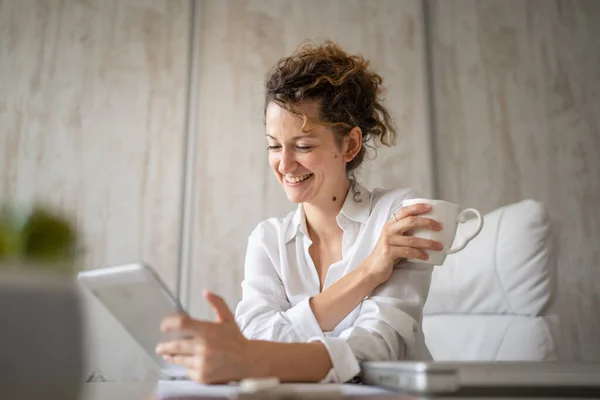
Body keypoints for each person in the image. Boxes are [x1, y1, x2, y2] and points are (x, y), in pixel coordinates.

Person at [155, 41, 443, 384]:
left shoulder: (397, 216)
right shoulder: (268, 240)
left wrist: (253, 359)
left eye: (303, 146)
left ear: (349, 145)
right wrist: (368, 272)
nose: (285, 164)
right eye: (274, 145)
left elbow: (379, 346)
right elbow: (259, 335)